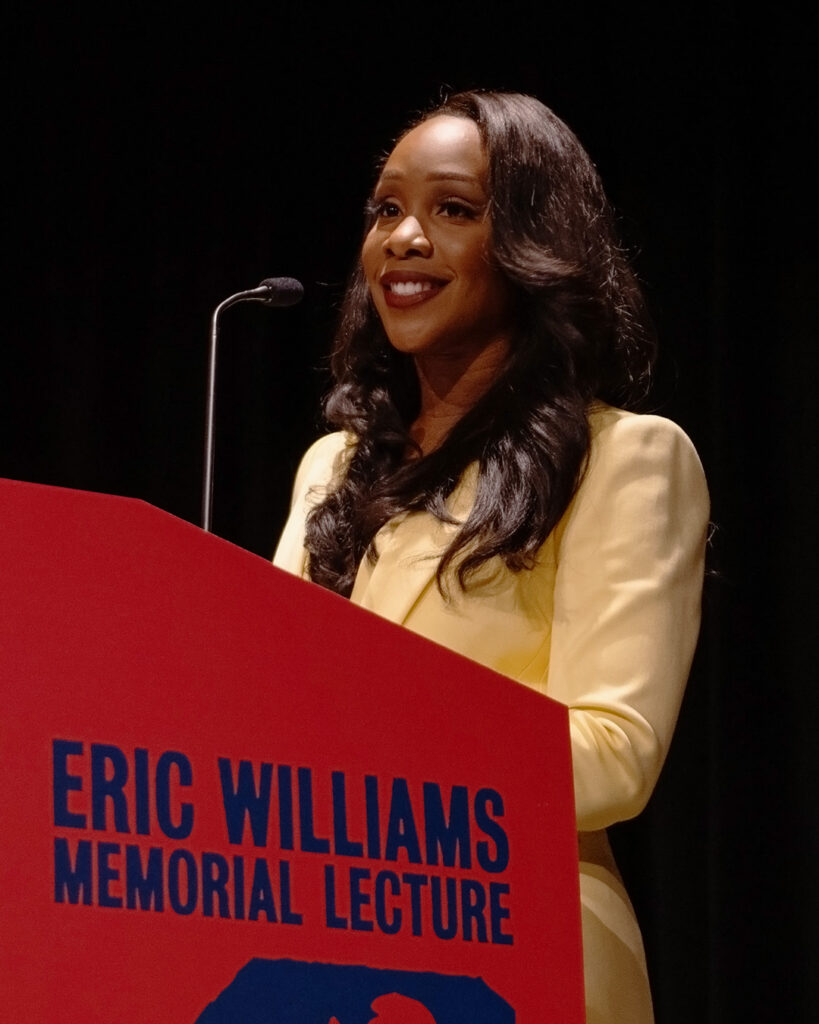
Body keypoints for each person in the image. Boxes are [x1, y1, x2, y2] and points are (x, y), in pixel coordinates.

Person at [273, 89, 709, 1023]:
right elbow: (267, 712)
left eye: (453, 210)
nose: (402, 239)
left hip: (519, 947)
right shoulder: (332, 468)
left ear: (530, 246)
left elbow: (613, 753)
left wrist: (363, 762)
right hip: (331, 954)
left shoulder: (623, 459)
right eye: (386, 209)